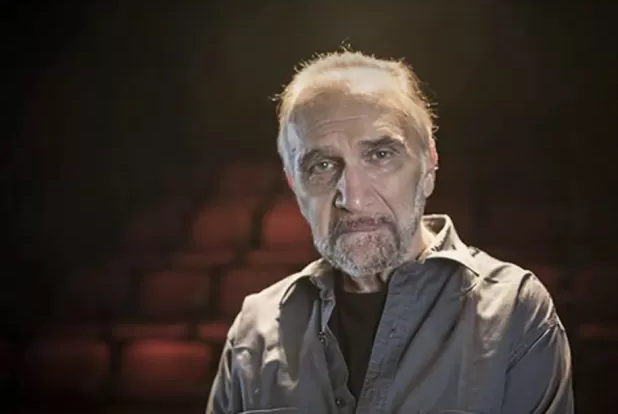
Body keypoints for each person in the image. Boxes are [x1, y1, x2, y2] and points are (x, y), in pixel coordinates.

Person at [206, 50, 574, 414]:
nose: (353, 198)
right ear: (294, 185)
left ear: (429, 166)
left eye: (380, 155)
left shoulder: (515, 313)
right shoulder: (254, 331)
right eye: (321, 165)